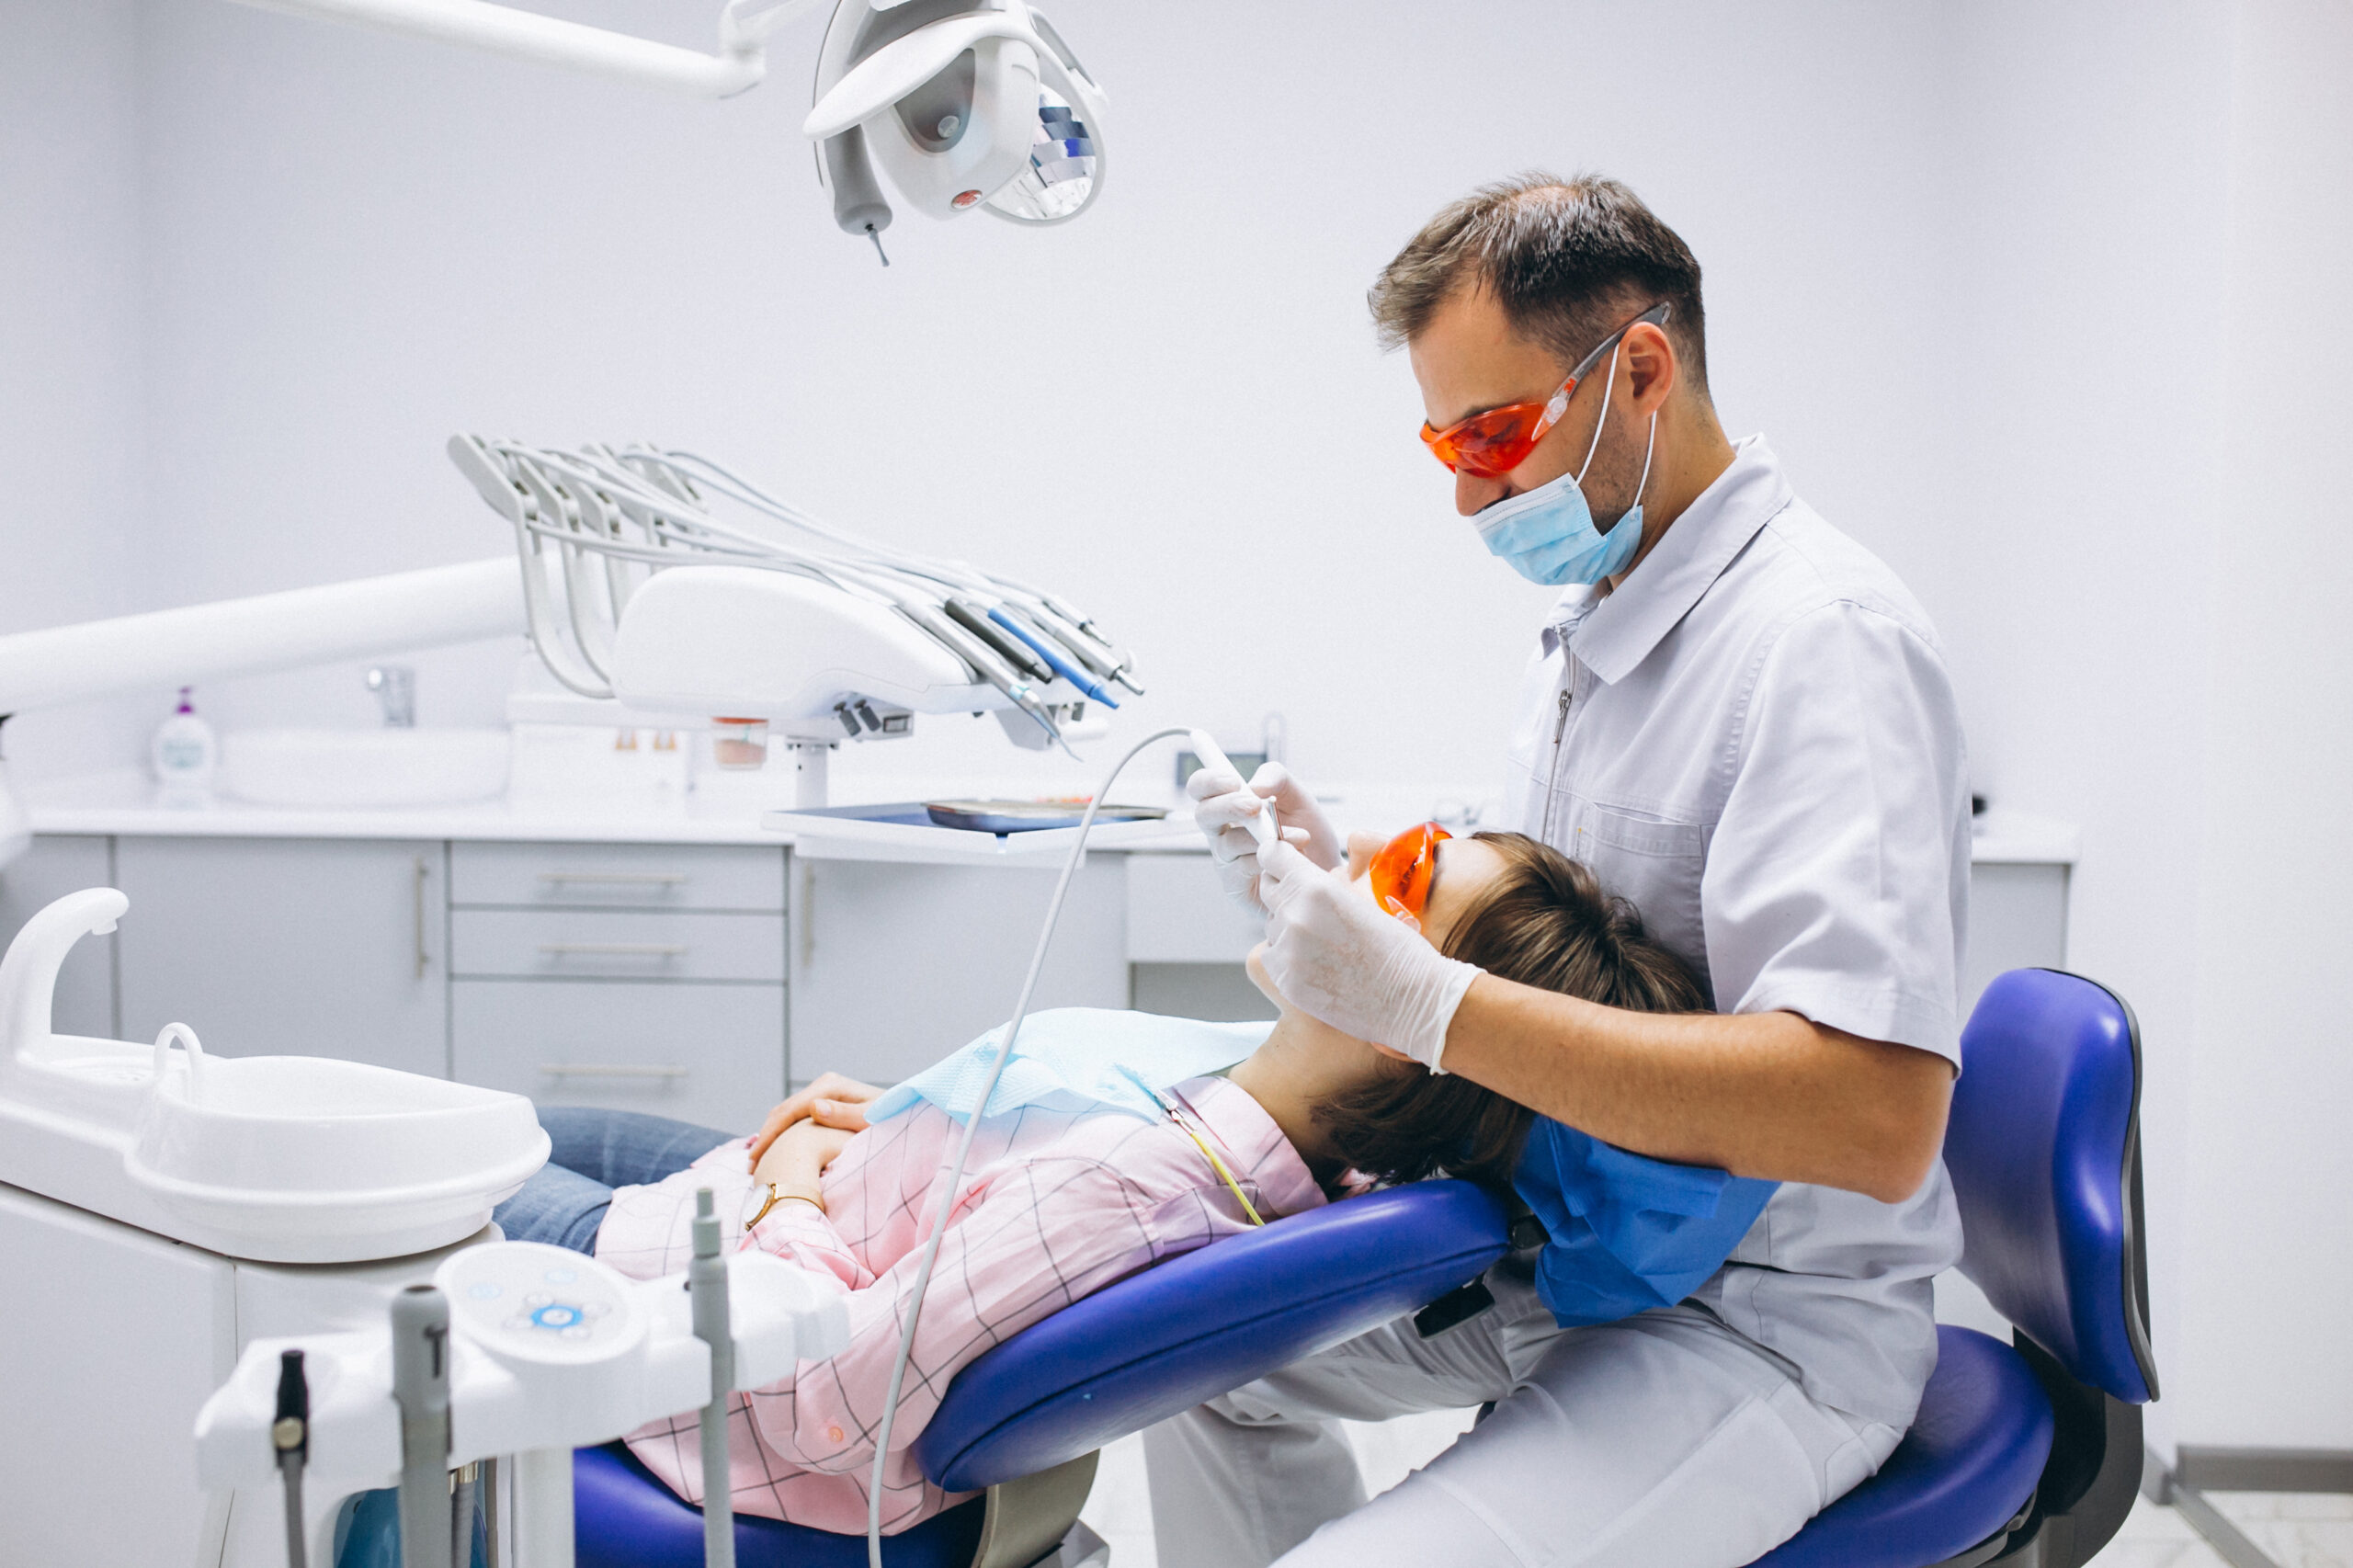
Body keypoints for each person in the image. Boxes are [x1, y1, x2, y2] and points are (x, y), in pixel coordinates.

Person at [1171, 173, 1972, 1567]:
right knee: (1195, 1364)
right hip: (1582, 1253)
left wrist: (1429, 1006)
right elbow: (1537, 951)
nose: (1473, 491)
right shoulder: (1598, 626)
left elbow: (1876, 1117)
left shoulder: (1818, 643)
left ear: (1642, 369)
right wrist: (1344, 896)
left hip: (1762, 1314)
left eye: (1494, 433)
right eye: (1444, 449)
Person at [494, 829, 1710, 1537]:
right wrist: (924, 1129)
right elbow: (1017, 1198)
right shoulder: (1287, 1125)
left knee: (424, 1165)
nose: (1338, 867)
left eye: (1396, 875)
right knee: (518, 1125)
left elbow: (835, 1408)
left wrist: (792, 1187)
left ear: (1404, 1020)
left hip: (714, 1311)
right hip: (818, 1202)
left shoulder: (1141, 1193)